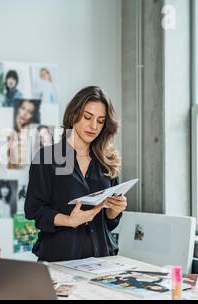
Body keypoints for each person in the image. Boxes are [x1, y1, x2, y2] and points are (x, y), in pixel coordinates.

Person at [25, 86, 127, 262]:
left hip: (102, 262)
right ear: (73, 116)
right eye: (87, 117)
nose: (94, 126)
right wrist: (69, 220)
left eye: (101, 121)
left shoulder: (107, 161)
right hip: (59, 260)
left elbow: (109, 223)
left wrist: (114, 210)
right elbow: (34, 211)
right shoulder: (47, 158)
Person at [7, 99, 41, 169]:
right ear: (18, 109)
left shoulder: (32, 133)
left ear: (32, 116)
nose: (25, 113)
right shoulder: (10, 130)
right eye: (23, 108)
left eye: (29, 112)